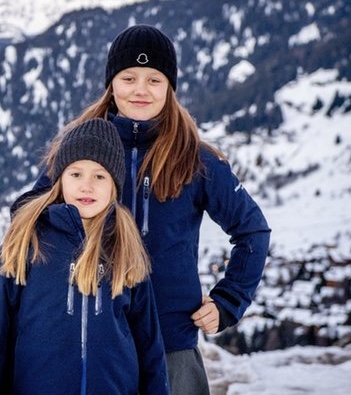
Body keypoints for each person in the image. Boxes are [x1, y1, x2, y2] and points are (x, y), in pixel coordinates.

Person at [21, 24, 271, 395]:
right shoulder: (81, 150)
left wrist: (228, 301)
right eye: (129, 77)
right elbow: (28, 213)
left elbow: (253, 231)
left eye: (154, 79)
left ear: (170, 87)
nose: (140, 89)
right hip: (93, 335)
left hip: (172, 344)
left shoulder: (196, 160)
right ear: (112, 84)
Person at [0, 118, 170, 395]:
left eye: (99, 176)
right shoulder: (28, 241)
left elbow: (149, 346)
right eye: (76, 174)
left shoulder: (125, 247)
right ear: (59, 181)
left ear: (114, 186)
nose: (87, 186)